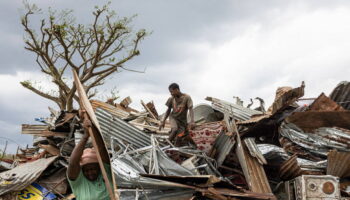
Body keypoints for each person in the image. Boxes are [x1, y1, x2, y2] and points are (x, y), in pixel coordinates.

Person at [67, 110, 112, 200]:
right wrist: (86, 135)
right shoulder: (79, 182)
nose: (89, 173)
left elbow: (101, 149)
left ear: (99, 167)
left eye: (92, 169)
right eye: (86, 170)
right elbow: (73, 163)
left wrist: (92, 126)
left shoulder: (106, 174)